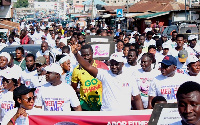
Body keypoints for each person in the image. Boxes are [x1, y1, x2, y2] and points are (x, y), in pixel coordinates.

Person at [71, 45, 144, 111]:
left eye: (116, 64)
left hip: (123, 116)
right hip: (106, 115)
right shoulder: (104, 74)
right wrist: (76, 54)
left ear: (122, 64)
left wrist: (142, 117)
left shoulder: (130, 77)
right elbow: (88, 67)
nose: (114, 67)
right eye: (112, 64)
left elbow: (137, 99)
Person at [71, 45, 109, 111]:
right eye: (83, 55)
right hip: (85, 106)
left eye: (88, 55)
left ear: (92, 53)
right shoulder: (77, 69)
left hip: (102, 105)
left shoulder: (102, 66)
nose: (86, 57)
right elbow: (73, 89)